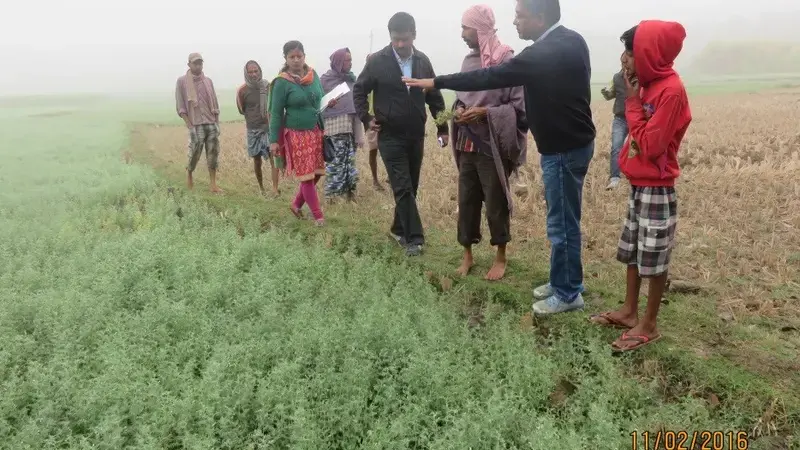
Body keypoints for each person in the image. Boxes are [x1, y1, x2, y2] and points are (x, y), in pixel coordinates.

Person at [404, 0, 596, 313]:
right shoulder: (572, 41)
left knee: (562, 224)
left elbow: (489, 78)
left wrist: (436, 82)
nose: (515, 22)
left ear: (540, 17)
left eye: (520, 16)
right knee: (563, 220)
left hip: (563, 148)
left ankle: (568, 292)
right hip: (570, 143)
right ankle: (565, 279)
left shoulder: (541, 53)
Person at [589, 21, 691, 352]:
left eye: (631, 53)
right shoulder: (648, 85)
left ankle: (649, 324)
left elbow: (651, 145)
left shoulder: (670, 91)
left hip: (658, 187)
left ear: (649, 55)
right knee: (634, 251)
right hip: (639, 183)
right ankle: (630, 311)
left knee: (654, 257)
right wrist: (635, 95)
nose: (624, 59)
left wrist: (632, 103)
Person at [353, 12, 449, 257]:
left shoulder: (423, 62)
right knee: (403, 186)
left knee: (411, 187)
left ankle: (397, 228)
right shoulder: (377, 61)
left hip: (416, 135)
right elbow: (359, 91)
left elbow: (435, 96)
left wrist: (442, 127)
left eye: (405, 39)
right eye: (395, 39)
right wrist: (366, 117)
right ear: (390, 37)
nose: (400, 44)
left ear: (414, 35)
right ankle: (414, 239)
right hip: (390, 135)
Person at [451, 5, 527, 281]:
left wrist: (485, 113)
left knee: (495, 201)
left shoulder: (506, 60)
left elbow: (519, 108)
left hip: (491, 146)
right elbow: (462, 97)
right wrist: (459, 111)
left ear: (480, 28)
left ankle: (500, 256)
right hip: (466, 143)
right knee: (467, 200)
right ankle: (467, 254)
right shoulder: (468, 62)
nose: (462, 34)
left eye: (465, 27)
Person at [268, 41, 336, 226]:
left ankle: (296, 204)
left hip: (315, 131)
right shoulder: (281, 82)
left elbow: (320, 99)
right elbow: (275, 113)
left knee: (317, 173)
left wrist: (329, 102)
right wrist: (273, 140)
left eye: (299, 56)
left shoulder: (313, 76)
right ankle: (318, 216)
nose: (296, 60)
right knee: (306, 175)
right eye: (292, 57)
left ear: (304, 56)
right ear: (286, 59)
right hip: (296, 134)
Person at [175, 52, 222, 193]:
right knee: (194, 152)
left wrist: (217, 122)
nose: (198, 65)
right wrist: (189, 124)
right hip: (195, 123)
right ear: (189, 64)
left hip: (211, 122)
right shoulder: (182, 81)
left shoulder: (208, 81)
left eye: (200, 63)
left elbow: (214, 101)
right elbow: (181, 105)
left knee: (213, 153)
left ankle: (213, 184)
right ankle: (189, 174)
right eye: (195, 63)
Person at [320, 48, 362, 202]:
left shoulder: (352, 80)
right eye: (347, 60)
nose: (350, 63)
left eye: (351, 60)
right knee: (335, 163)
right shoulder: (324, 80)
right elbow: (318, 103)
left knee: (349, 164)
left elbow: (355, 106)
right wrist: (329, 104)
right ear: (337, 62)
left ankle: (349, 193)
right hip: (332, 129)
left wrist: (359, 134)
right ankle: (332, 196)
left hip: (349, 127)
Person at [236, 60, 280, 196]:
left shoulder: (268, 86)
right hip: (253, 128)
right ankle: (261, 188)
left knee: (274, 157)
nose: (254, 74)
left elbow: (273, 104)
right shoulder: (242, 91)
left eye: (256, 71)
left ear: (260, 71)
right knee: (256, 159)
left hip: (268, 127)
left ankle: (274, 188)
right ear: (246, 73)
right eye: (250, 72)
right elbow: (241, 109)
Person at [600, 59, 629, 190]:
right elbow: (610, 94)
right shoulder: (616, 77)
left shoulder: (641, 77)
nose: (625, 65)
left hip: (637, 118)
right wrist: (605, 92)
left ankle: (638, 176)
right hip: (620, 119)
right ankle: (614, 178)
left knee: (638, 148)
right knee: (616, 147)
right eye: (623, 62)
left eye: (627, 62)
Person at [364, 53, 385, 192]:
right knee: (373, 150)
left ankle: (391, 177)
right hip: (372, 119)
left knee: (388, 150)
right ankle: (375, 180)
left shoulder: (383, 76)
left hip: (385, 118)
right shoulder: (365, 79)